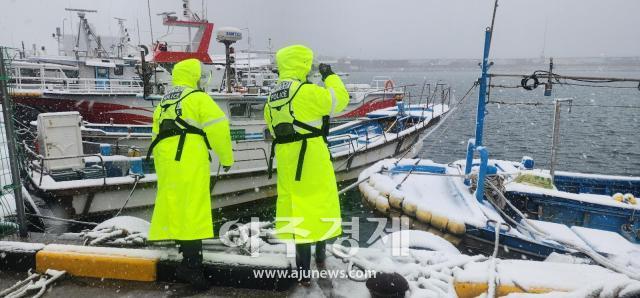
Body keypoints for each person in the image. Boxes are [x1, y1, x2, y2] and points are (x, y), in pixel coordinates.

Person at [264, 45, 349, 286]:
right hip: (310, 157)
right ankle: (320, 259)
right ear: (302, 64)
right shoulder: (306, 92)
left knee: (298, 212)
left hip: (287, 161)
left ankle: (303, 273)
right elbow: (339, 100)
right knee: (319, 207)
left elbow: (272, 127)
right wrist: (330, 76)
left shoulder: (272, 97)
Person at [147, 58, 234, 290]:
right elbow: (218, 126)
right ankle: (192, 268)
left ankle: (188, 258)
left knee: (176, 207)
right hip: (187, 157)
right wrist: (226, 158)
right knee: (193, 209)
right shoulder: (197, 98)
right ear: (194, 76)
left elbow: (154, 135)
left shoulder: (164, 102)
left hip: (167, 162)